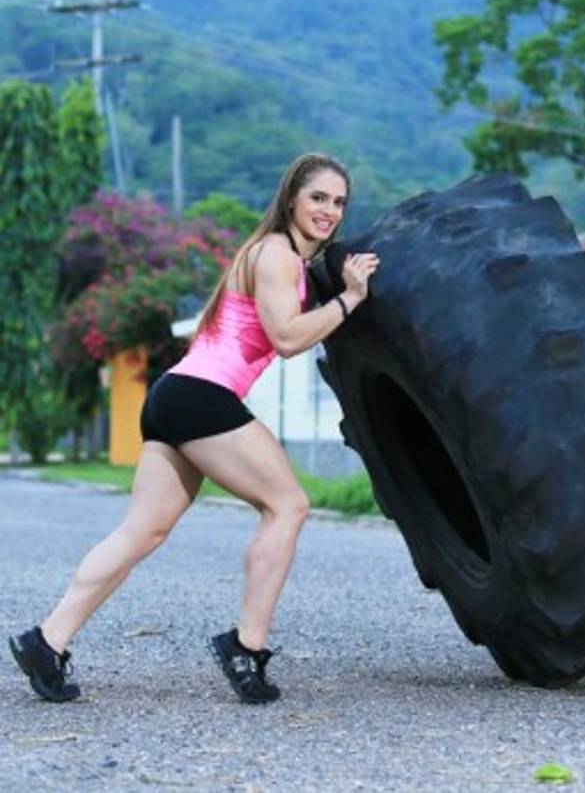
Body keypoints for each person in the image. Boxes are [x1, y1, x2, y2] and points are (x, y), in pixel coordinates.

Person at [9, 152, 379, 705]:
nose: (329, 210)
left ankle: (46, 641)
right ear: (291, 199)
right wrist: (350, 300)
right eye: (318, 198)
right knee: (289, 506)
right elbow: (285, 337)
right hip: (203, 398)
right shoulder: (276, 254)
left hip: (173, 396)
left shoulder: (277, 257)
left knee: (142, 531)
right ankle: (245, 647)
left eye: (338, 202)